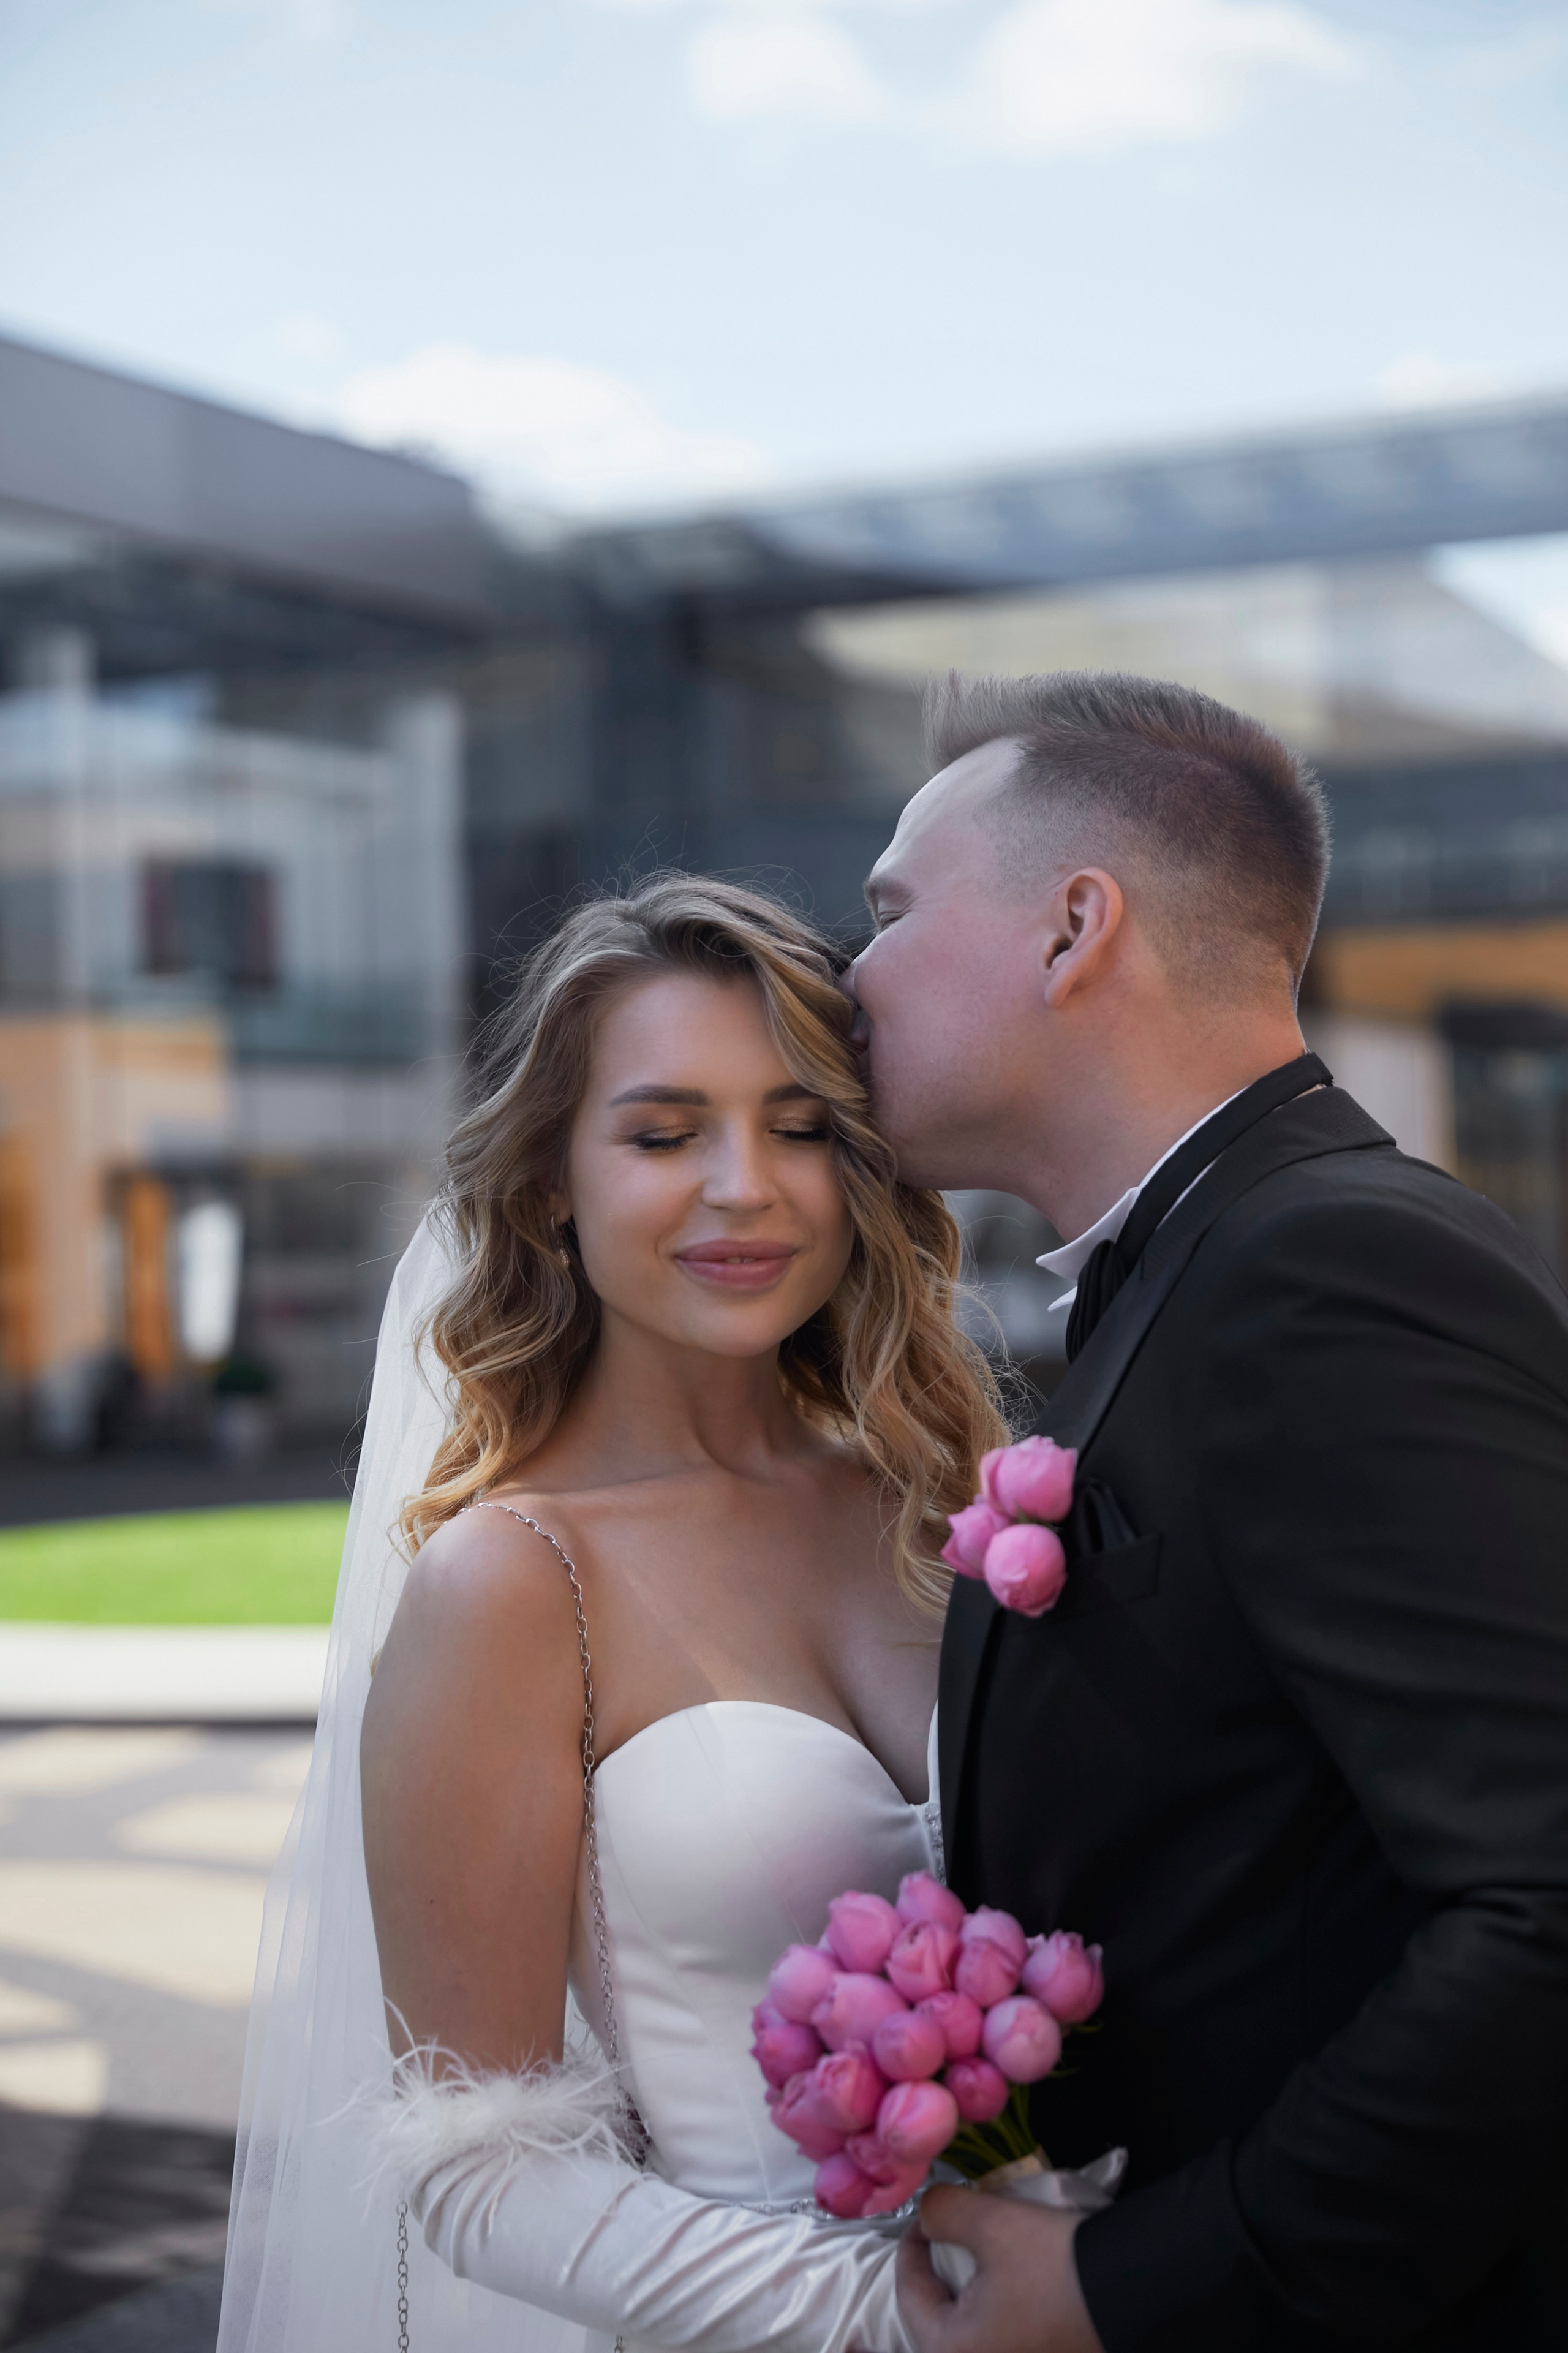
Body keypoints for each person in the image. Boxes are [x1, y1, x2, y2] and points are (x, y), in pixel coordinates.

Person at [840, 671, 1568, 2352]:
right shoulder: (1200, 1270)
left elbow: (1545, 1893)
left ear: (1072, 926)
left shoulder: (1328, 1269)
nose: (846, 973)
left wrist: (1136, 2284)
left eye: (886, 911)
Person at [216, 875, 1007, 2353]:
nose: (743, 1186)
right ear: (546, 1188)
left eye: (799, 1126)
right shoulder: (511, 1582)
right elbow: (478, 2160)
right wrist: (898, 2319)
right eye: (661, 1134)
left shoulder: (943, 1506)